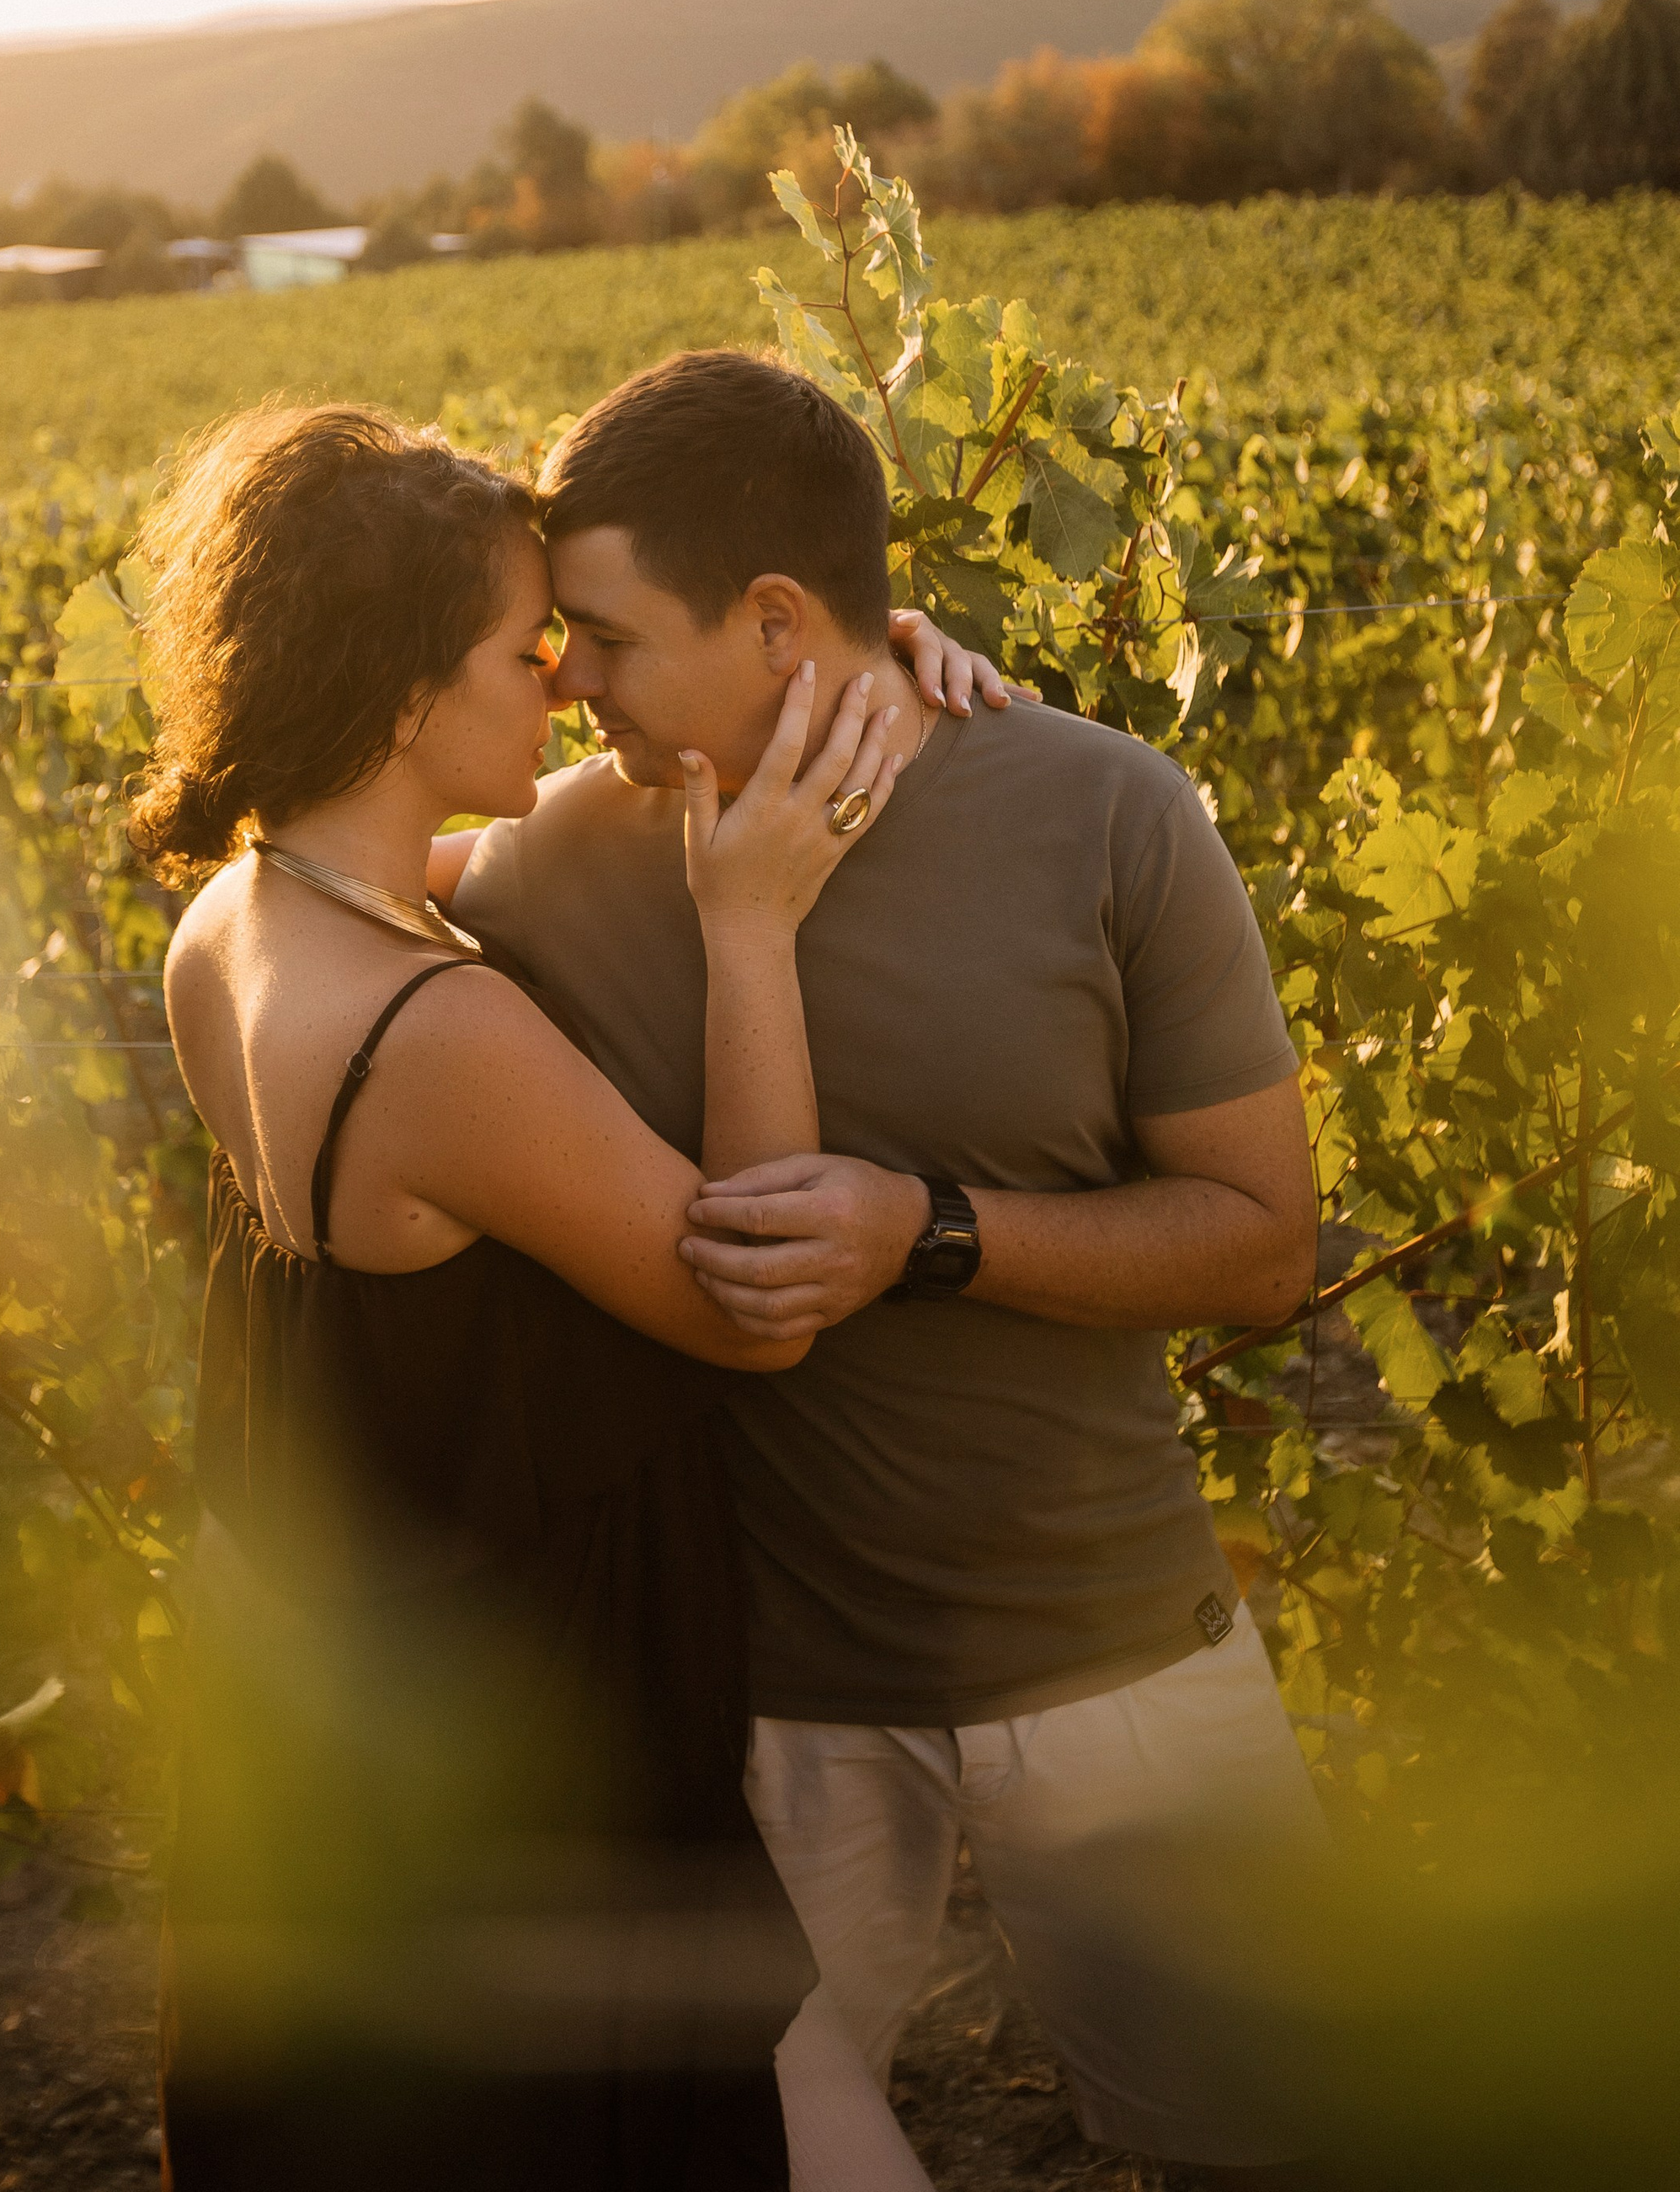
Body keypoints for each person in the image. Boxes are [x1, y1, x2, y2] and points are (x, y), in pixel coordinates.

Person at [441, 349, 1326, 2186]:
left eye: (600, 637)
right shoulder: (560, 853)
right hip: (766, 1705)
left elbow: (1260, 1246)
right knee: (722, 2162)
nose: (565, 682)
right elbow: (262, 864)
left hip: (1120, 1659)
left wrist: (920, 1232)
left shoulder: (1102, 811)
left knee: (1278, 2147)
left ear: (776, 618)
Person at [134, 401, 979, 2192]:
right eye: (523, 656)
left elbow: (504, 852)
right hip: (546, 1778)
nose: (566, 691)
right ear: (392, 701)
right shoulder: (441, 1042)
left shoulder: (239, 924)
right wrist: (750, 930)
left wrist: (819, 673)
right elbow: (758, 1292)